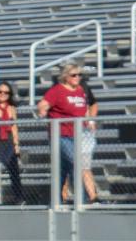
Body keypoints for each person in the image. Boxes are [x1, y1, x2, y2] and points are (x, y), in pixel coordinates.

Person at [38, 63, 99, 205]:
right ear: (65, 76)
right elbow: (42, 104)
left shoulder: (80, 91)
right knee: (75, 163)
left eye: (79, 75)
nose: (77, 77)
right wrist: (43, 111)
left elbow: (84, 109)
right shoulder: (57, 90)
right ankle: (82, 200)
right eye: (73, 75)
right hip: (61, 134)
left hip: (77, 135)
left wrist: (89, 121)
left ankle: (56, 200)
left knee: (62, 169)